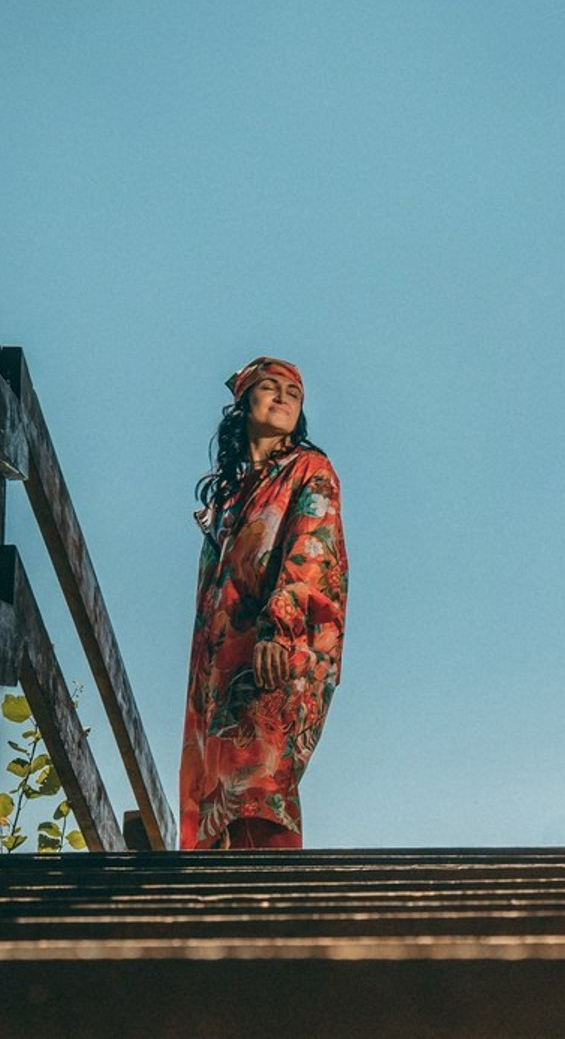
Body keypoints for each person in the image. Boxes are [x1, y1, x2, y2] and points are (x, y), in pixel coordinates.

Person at [179, 356, 348, 850]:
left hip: (281, 643)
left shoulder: (309, 471)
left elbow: (312, 550)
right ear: (243, 402)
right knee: (219, 783)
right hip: (221, 662)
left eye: (292, 393)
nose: (282, 398)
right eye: (269, 388)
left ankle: (268, 898)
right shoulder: (229, 499)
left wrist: (280, 627)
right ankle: (218, 895)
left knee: (258, 775)